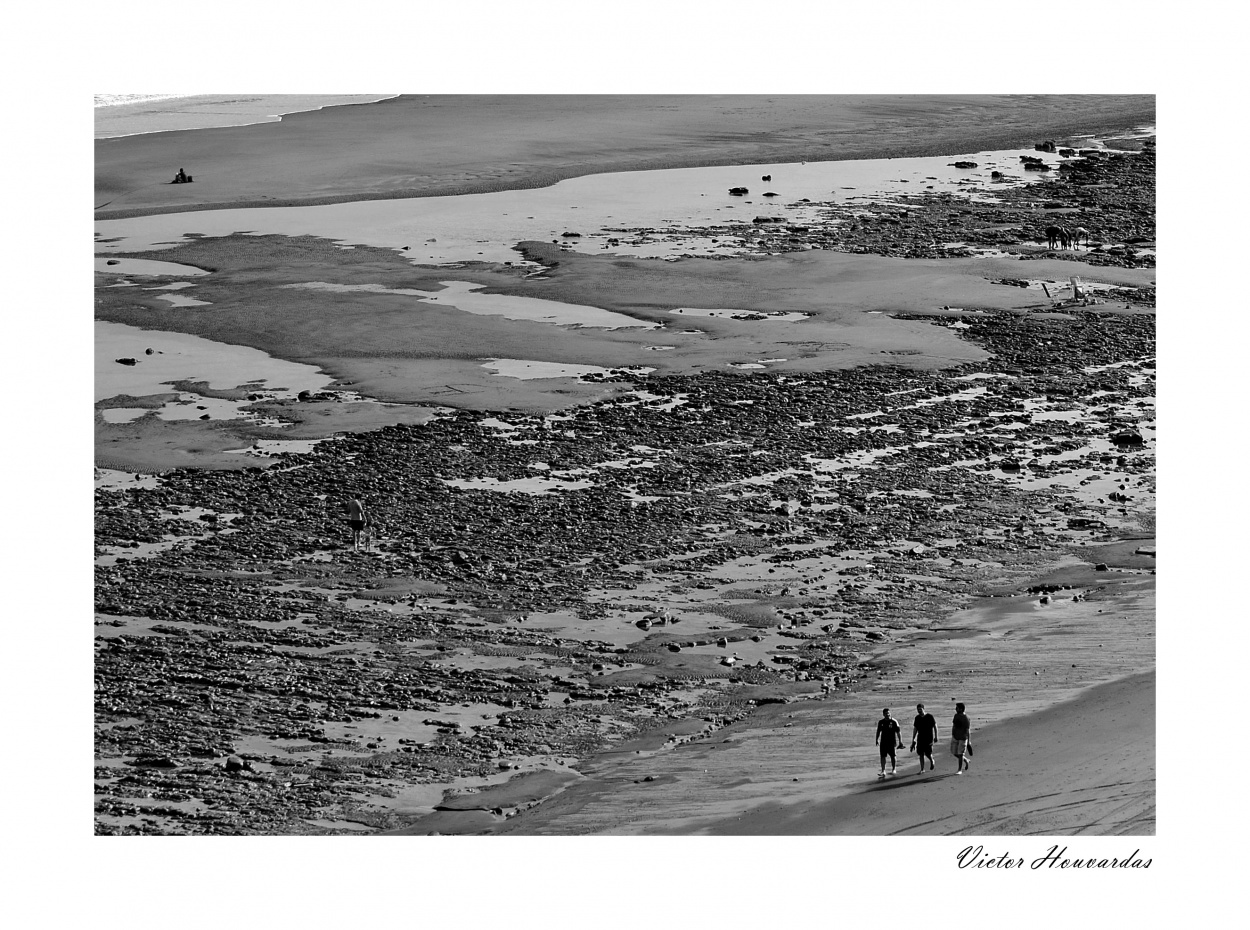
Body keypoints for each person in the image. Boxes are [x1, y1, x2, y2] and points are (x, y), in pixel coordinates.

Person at [910, 703, 939, 773]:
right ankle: (922, 769)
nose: (919, 711)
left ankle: (932, 760)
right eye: (918, 709)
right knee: (921, 754)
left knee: (928, 753)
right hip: (920, 738)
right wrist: (913, 738)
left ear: (923, 709)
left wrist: (936, 736)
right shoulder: (917, 718)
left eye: (920, 709)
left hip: (929, 738)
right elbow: (915, 728)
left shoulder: (929, 716)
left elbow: (935, 726)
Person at [875, 708, 902, 778]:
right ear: (883, 714)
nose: (887, 714)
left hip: (892, 742)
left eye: (888, 713)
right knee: (883, 756)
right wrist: (877, 739)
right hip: (883, 742)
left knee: (893, 756)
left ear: (890, 713)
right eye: (886, 713)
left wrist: (900, 741)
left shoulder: (894, 721)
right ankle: (883, 771)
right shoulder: (881, 722)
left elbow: (898, 732)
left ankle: (894, 769)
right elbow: (878, 731)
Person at [951, 702, 973, 774]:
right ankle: (966, 760)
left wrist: (969, 741)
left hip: (963, 738)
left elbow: (968, 730)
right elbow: (954, 725)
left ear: (961, 709)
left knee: (960, 754)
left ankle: (959, 770)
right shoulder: (956, 716)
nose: (955, 709)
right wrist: (952, 734)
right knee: (954, 752)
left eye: (957, 708)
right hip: (955, 737)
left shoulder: (966, 718)